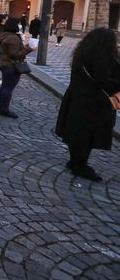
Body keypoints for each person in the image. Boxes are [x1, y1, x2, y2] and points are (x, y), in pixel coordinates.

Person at [55, 28, 120, 182]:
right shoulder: (104, 61)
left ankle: (74, 161)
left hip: (76, 97)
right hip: (95, 102)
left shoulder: (81, 55)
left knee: (75, 131)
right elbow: (106, 81)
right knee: (87, 135)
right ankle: (80, 165)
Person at [0, 18, 36, 118]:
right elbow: (15, 54)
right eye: (18, 24)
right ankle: (4, 109)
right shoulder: (13, 38)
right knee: (8, 88)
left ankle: (1, 107)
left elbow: (12, 50)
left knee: (4, 86)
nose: (19, 26)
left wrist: (25, 46)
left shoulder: (5, 35)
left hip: (4, 62)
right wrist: (30, 49)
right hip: (11, 65)